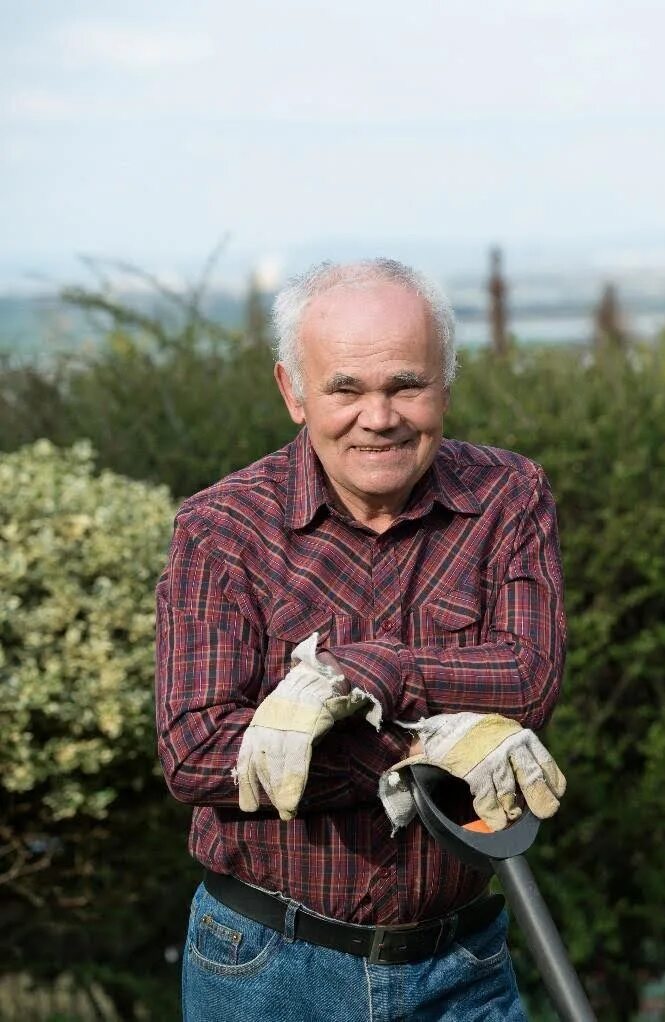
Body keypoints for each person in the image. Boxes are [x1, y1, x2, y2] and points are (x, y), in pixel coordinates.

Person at [155, 258, 567, 1021]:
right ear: (294, 392)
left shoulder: (507, 496)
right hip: (268, 967)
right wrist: (420, 749)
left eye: (406, 385)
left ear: (445, 383)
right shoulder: (222, 527)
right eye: (345, 389)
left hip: (460, 965)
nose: (378, 417)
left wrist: (358, 673)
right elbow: (196, 750)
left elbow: (527, 676)